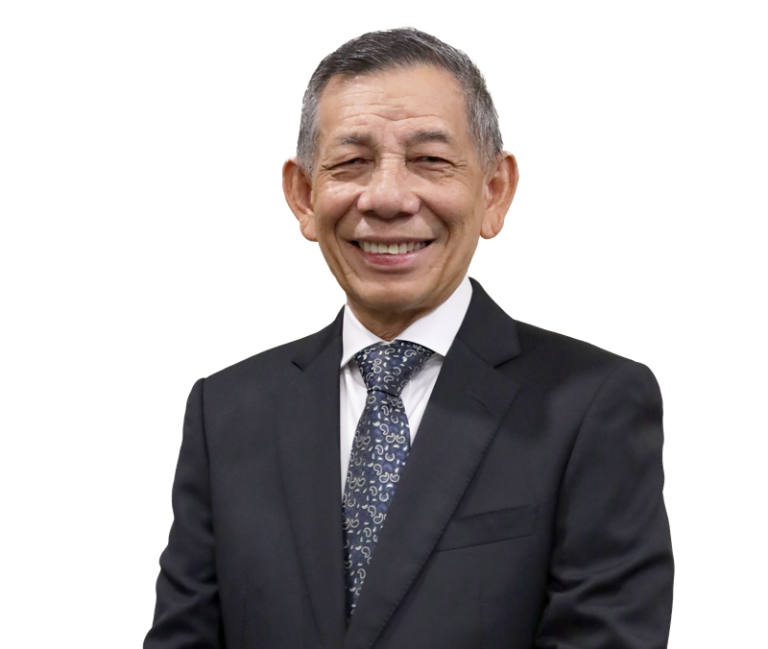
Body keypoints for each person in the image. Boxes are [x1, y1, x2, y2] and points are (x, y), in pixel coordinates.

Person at [145, 25, 673, 649]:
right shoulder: (225, 409)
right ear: (304, 195)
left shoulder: (594, 403)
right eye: (351, 162)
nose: (389, 199)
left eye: (429, 160)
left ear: (494, 191)